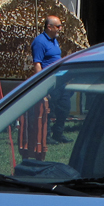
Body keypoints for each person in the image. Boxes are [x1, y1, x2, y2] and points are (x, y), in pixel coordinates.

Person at [32, 15, 69, 143]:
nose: (60, 28)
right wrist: (42, 85)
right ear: (49, 27)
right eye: (58, 26)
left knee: (64, 107)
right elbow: (37, 64)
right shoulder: (40, 42)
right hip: (49, 80)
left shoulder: (54, 40)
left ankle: (58, 133)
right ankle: (45, 137)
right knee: (48, 109)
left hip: (60, 80)